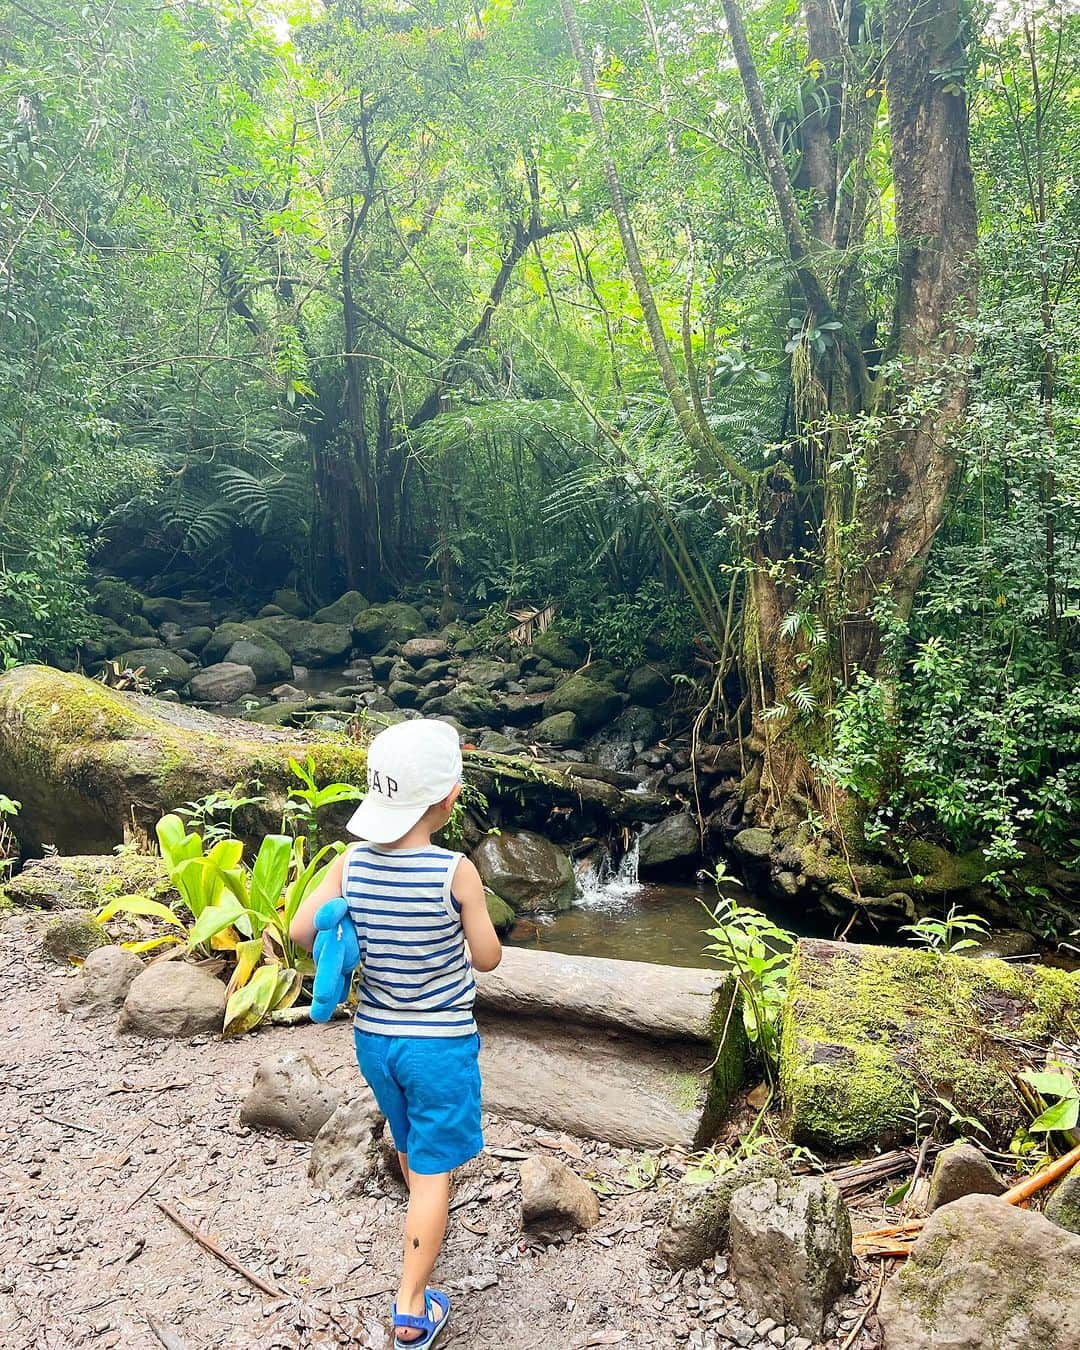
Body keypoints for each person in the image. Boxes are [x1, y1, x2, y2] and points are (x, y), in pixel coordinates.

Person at [290, 718, 502, 1348]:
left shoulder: (350, 862)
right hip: (438, 1044)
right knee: (438, 1170)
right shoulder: (455, 872)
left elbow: (304, 930)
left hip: (376, 1040)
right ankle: (412, 1306)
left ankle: (420, 1211)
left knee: (409, 1137)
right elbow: (487, 958)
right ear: (448, 799)